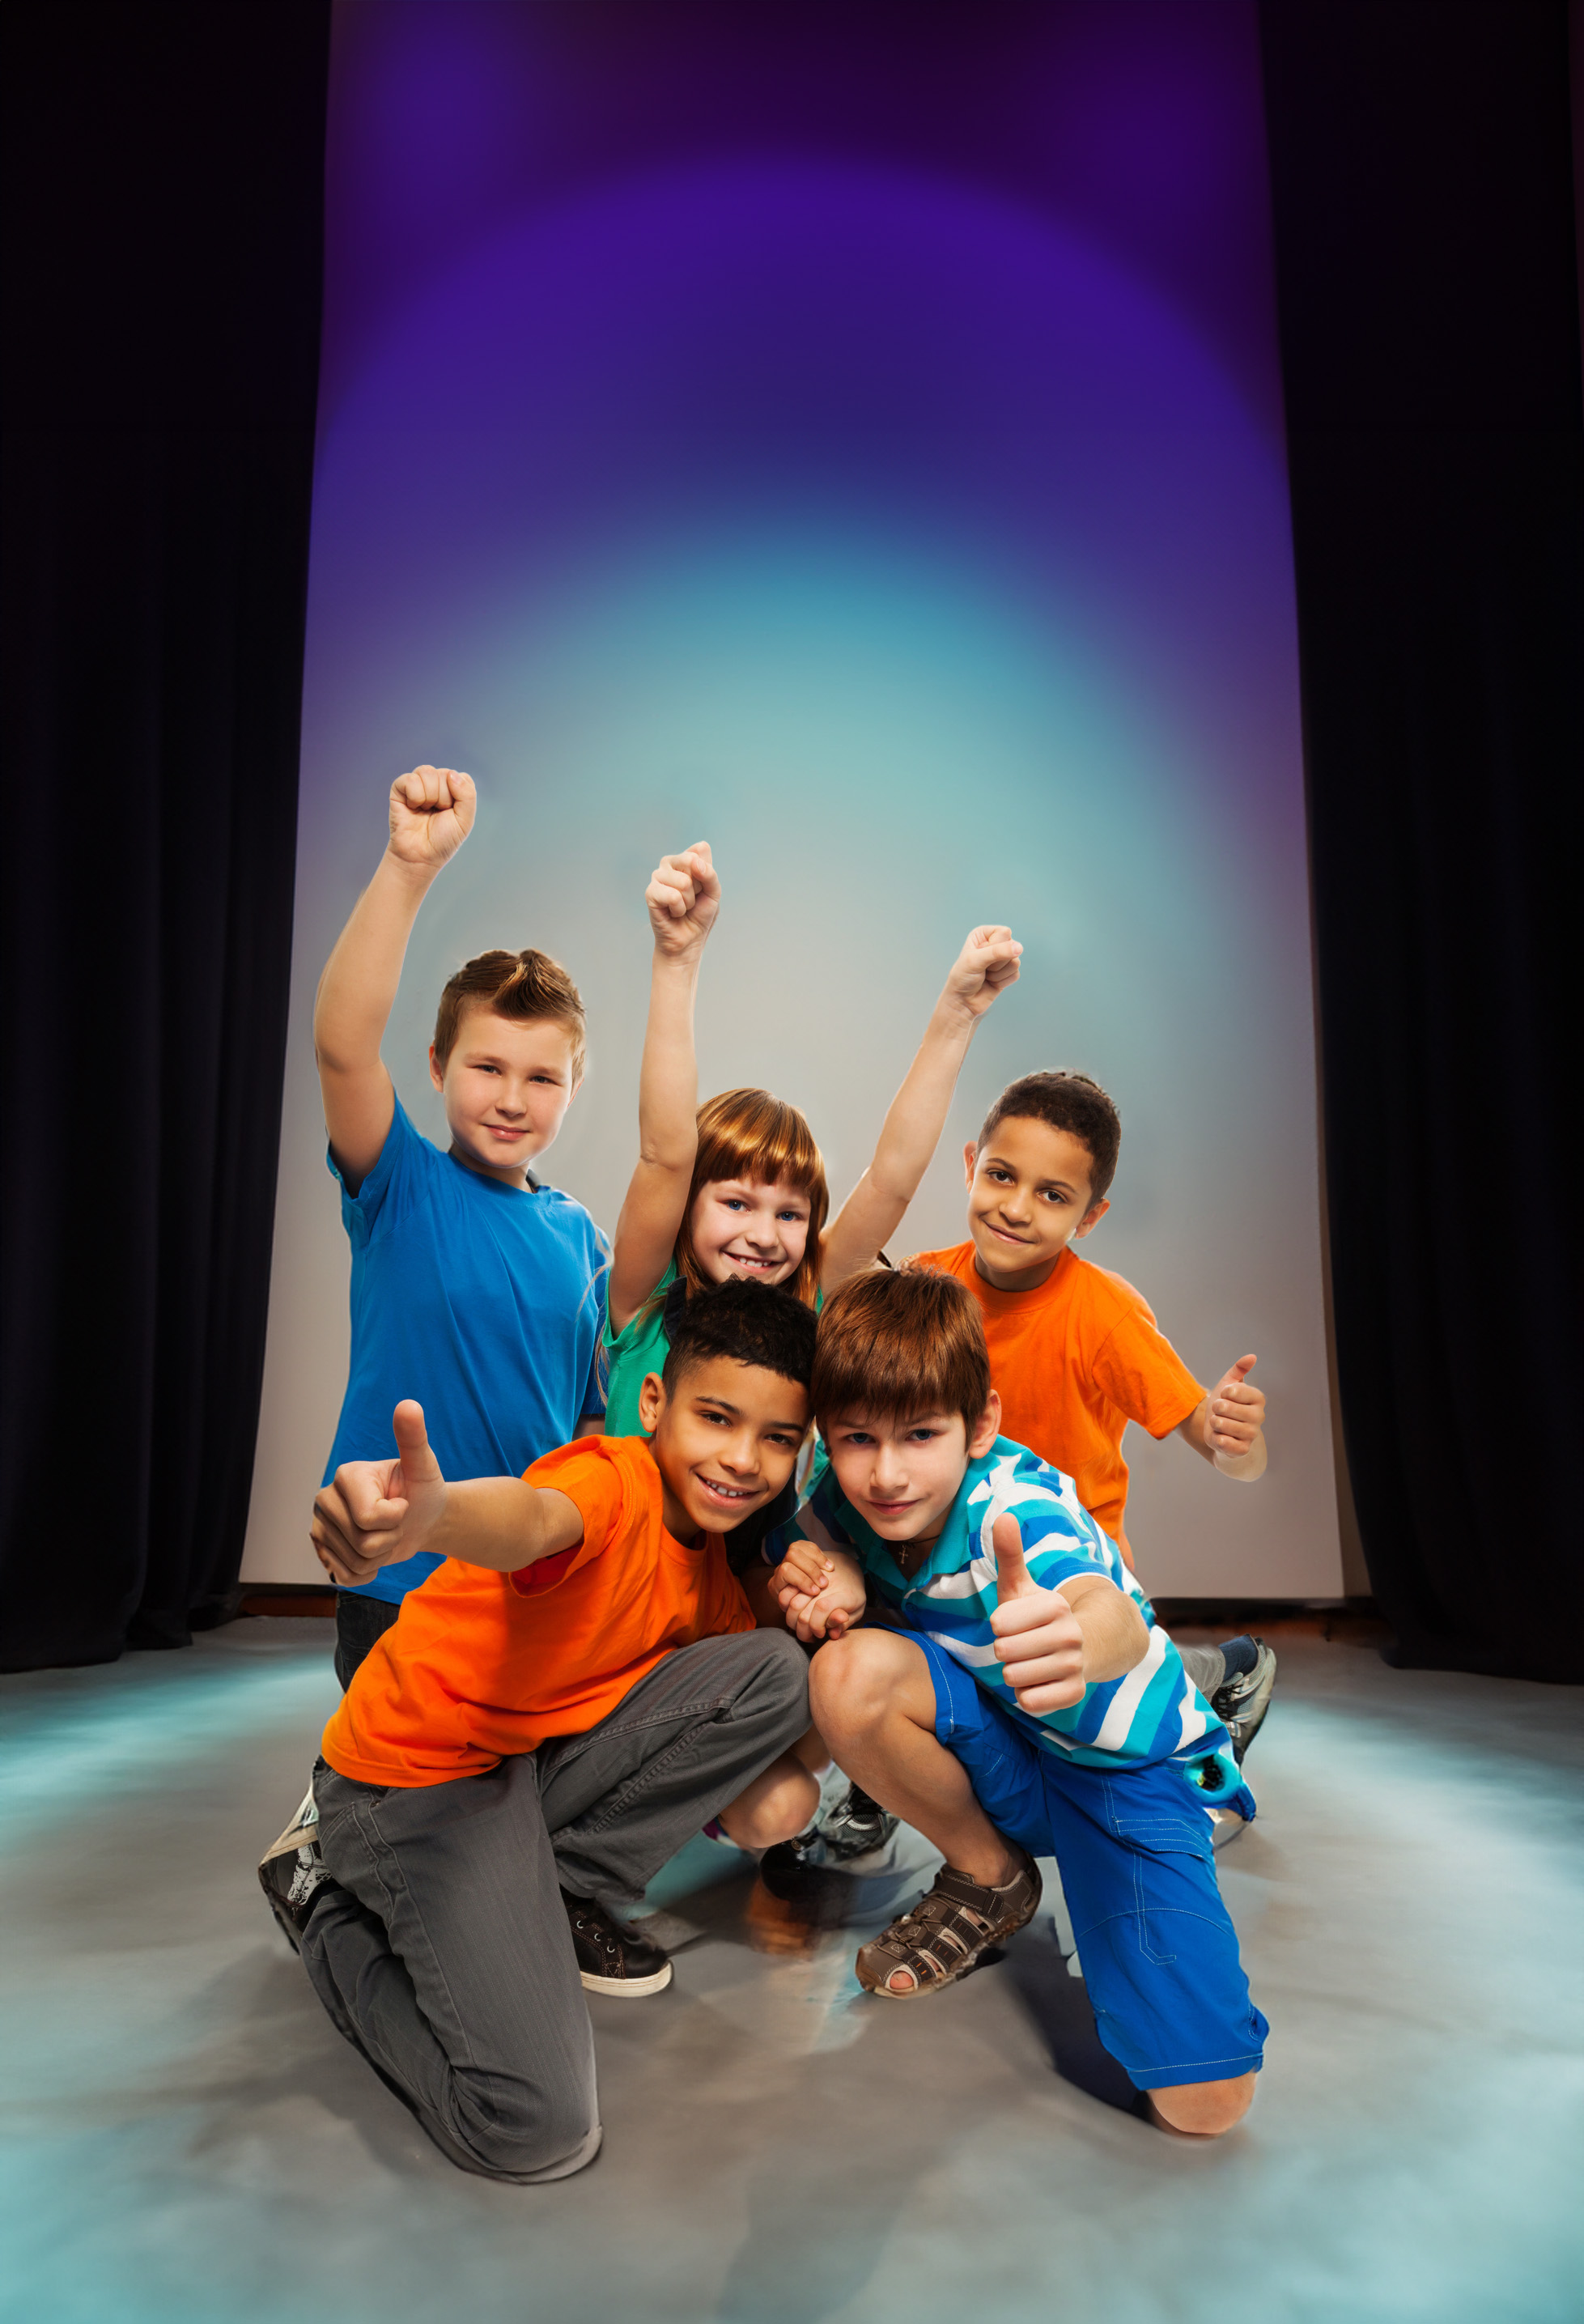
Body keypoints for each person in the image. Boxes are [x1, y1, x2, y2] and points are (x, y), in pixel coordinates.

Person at [260, 1282, 818, 2184]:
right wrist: (432, 1517)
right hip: (408, 1780)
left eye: (778, 1438)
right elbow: (529, 1521)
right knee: (537, 2126)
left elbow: (747, 1727)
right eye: (717, 1417)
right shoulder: (607, 1479)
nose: (743, 1459)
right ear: (654, 1405)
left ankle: (556, 1888)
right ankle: (322, 1905)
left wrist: (832, 1594)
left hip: (513, 1774)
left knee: (779, 1670)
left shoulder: (712, 1582)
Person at [767, 1268, 1268, 2138]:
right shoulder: (846, 1504)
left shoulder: (1015, 1507)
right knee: (847, 1675)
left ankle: (1209, 1773)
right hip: (1013, 1752)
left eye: (921, 1434)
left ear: (981, 1425)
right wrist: (831, 1571)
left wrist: (1076, 1640)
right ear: (826, 1437)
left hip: (1122, 1769)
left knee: (1204, 2106)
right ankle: (989, 1878)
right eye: (855, 1439)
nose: (886, 1473)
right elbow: (807, 1539)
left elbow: (1100, 1605)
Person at [309, 763, 607, 1689]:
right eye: (487, 1067)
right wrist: (408, 866)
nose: (512, 1099)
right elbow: (342, 1045)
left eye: (542, 1077)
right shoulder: (402, 1184)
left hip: (523, 1572)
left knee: (507, 1787)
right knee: (388, 1790)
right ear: (437, 1066)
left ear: (573, 1089)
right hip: (395, 1572)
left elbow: (589, 1413)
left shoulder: (581, 1238)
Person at [907, 1071, 1276, 1758]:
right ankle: (871, 1795)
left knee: (1106, 1724)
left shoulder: (1103, 1313)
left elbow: (1221, 1448)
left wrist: (1234, 1438)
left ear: (1089, 1216)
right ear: (969, 1167)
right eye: (1001, 1175)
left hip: (1071, 1564)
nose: (1017, 1208)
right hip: (947, 1554)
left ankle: (1214, 1673)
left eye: (1052, 1195)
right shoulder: (923, 1286)